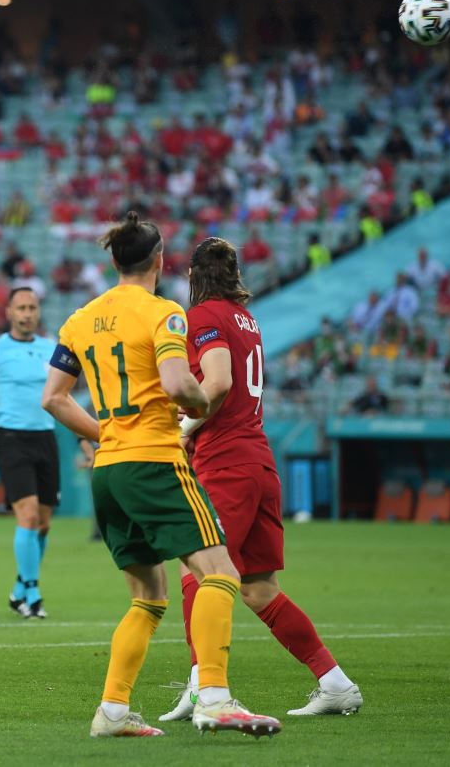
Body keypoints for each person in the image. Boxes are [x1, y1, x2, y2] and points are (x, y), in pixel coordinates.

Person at [41, 212, 281, 738]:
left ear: (111, 260)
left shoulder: (80, 319)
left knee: (149, 596)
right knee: (220, 571)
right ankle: (215, 698)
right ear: (159, 259)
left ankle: (112, 710)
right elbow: (179, 384)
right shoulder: (165, 313)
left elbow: (53, 399)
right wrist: (196, 405)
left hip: (108, 473)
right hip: (155, 461)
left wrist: (105, 432)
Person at [163, 237, 362, 720]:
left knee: (199, 571)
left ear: (192, 277)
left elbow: (218, 382)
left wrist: (183, 427)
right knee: (256, 588)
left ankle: (202, 686)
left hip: (227, 462)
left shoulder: (204, 317)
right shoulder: (247, 320)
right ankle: (335, 682)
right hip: (257, 459)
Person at [0, 287, 60, 619]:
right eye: (20, 307)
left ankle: (20, 587)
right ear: (9, 311)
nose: (27, 313)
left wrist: (82, 438)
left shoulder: (51, 349)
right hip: (10, 437)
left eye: (32, 307)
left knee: (45, 523)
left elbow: (63, 397)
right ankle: (32, 595)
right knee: (29, 516)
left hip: (45, 437)